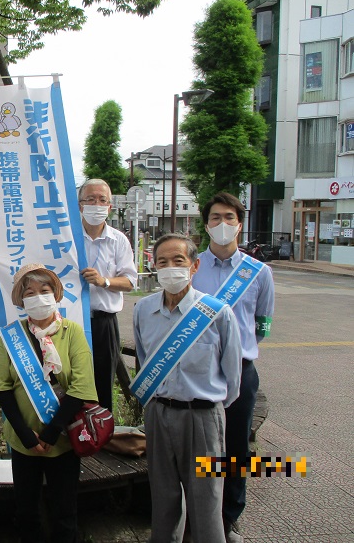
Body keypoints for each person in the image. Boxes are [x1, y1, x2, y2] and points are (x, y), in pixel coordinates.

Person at [133, 233, 242, 543]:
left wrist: (208, 410)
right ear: (153, 266)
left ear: (194, 266)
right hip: (158, 415)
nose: (170, 268)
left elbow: (232, 380)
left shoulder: (217, 313)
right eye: (162, 262)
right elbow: (144, 360)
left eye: (178, 261)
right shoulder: (143, 310)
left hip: (203, 418)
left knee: (206, 503)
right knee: (163, 500)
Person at [0, 263, 97, 543]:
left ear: (56, 295)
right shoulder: (11, 337)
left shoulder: (72, 332)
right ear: (21, 300)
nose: (38, 297)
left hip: (63, 440)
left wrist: (51, 432)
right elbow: (1, 388)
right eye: (30, 292)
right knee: (26, 512)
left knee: (64, 512)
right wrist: (26, 435)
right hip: (23, 440)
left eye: (44, 290)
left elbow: (81, 387)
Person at [191, 192, 275, 542]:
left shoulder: (260, 272)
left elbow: (262, 324)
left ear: (240, 223)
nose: (222, 224)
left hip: (241, 371)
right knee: (201, 445)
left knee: (237, 447)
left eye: (229, 217)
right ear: (206, 224)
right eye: (215, 218)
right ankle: (199, 517)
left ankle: (229, 517)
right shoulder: (191, 266)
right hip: (198, 369)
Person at [78, 178, 138, 412]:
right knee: (70, 381)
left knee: (103, 382)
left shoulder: (118, 240)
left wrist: (105, 281)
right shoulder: (65, 236)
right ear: (80, 205)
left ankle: (102, 436)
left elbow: (131, 281)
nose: (97, 204)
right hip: (70, 321)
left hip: (103, 322)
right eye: (90, 199)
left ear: (110, 206)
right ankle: (72, 437)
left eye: (102, 200)